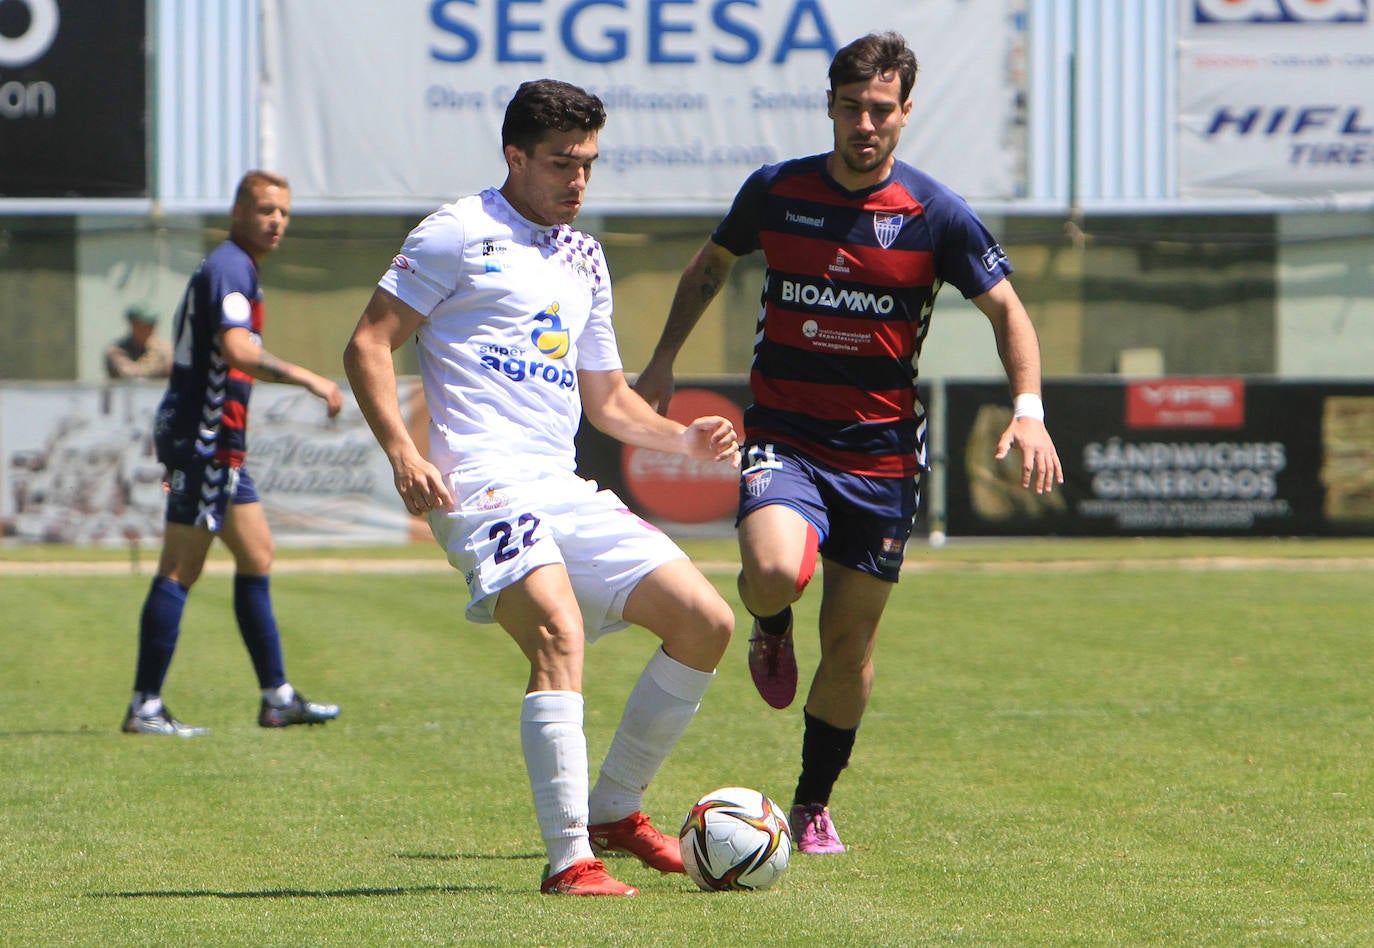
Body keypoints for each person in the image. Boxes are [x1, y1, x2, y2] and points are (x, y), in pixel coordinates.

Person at [635, 32, 1063, 855]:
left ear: (905, 112)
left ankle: (810, 805)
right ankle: (769, 625)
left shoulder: (935, 214)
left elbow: (1009, 310)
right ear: (830, 106)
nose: (865, 123)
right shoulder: (776, 191)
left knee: (850, 648)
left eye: (880, 109)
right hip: (785, 434)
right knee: (770, 571)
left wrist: (1030, 407)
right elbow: (711, 264)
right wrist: (663, 357)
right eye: (851, 107)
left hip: (882, 458)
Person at [343, 79, 739, 897]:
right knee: (559, 632)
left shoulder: (584, 256)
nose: (578, 181)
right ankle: (570, 862)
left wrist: (683, 438)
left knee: (705, 622)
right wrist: (400, 452)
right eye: (562, 163)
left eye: (589, 164)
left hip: (561, 484)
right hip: (481, 486)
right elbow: (369, 345)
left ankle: (617, 812)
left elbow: (608, 401)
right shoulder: (457, 232)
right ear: (515, 156)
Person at [123, 170, 345, 738]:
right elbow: (237, 349)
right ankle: (145, 706)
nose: (276, 221)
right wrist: (309, 378)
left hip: (216, 442)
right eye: (266, 209)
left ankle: (277, 697)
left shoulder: (237, 268)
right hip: (205, 440)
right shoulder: (229, 267)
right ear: (239, 211)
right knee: (180, 567)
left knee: (257, 555)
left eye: (284, 213)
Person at [105, 303, 173, 379]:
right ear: (133, 324)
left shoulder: (165, 349)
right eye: (145, 324)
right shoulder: (117, 350)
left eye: (152, 324)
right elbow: (128, 375)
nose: (150, 328)